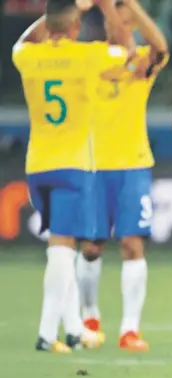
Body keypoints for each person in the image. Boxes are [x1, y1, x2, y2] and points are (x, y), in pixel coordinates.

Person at [12, 0, 134, 352]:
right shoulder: (88, 56)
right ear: (76, 28)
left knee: (59, 248)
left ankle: (73, 330)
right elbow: (127, 50)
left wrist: (64, 11)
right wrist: (107, 9)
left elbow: (22, 42)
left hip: (38, 165)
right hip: (74, 165)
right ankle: (46, 335)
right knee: (63, 249)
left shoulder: (30, 58)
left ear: (49, 27)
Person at [74, 0, 169, 352]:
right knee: (91, 246)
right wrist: (96, 7)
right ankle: (90, 317)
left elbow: (161, 47)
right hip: (93, 165)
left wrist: (131, 7)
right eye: (116, 14)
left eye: (127, 15)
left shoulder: (143, 60)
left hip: (133, 165)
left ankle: (130, 329)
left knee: (132, 244)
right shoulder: (89, 56)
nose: (121, 20)